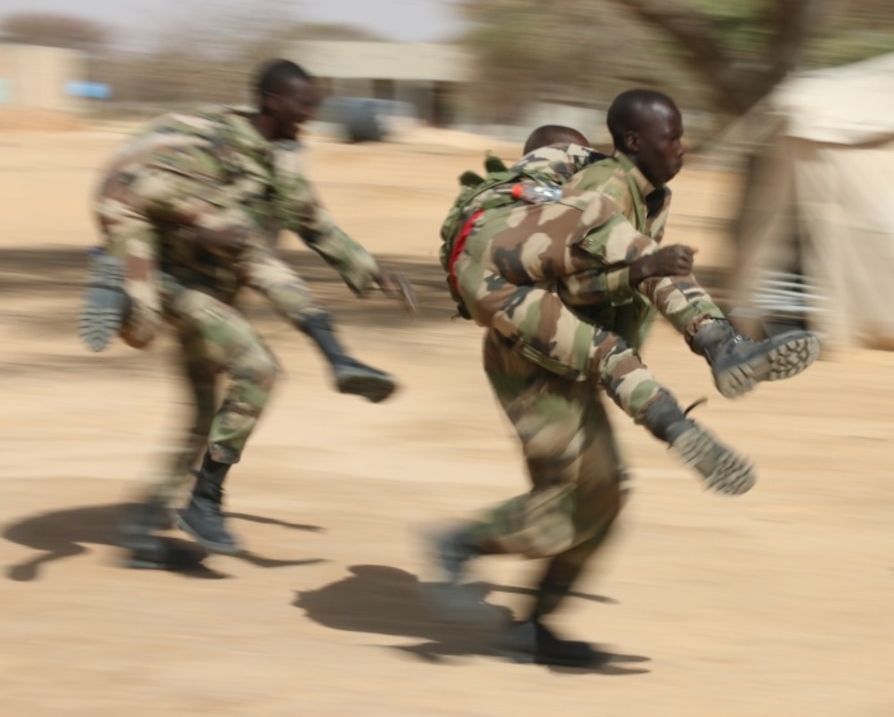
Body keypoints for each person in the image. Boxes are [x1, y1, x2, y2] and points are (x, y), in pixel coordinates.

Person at [423, 94, 820, 666]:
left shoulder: (644, 193)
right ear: (634, 141)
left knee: (603, 500)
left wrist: (635, 275)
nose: (683, 147)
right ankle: (462, 545)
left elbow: (589, 285)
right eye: (673, 137)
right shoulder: (602, 192)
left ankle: (532, 628)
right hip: (532, 368)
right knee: (572, 503)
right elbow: (569, 288)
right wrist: (639, 271)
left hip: (564, 347)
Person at [85, 59, 416, 565]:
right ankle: (204, 501)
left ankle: (141, 528)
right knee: (258, 370)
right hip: (171, 279)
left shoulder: (281, 159)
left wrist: (371, 271)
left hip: (217, 284)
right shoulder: (217, 142)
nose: (310, 113)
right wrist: (192, 233)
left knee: (202, 411)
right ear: (272, 100)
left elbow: (314, 223)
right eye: (303, 104)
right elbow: (138, 188)